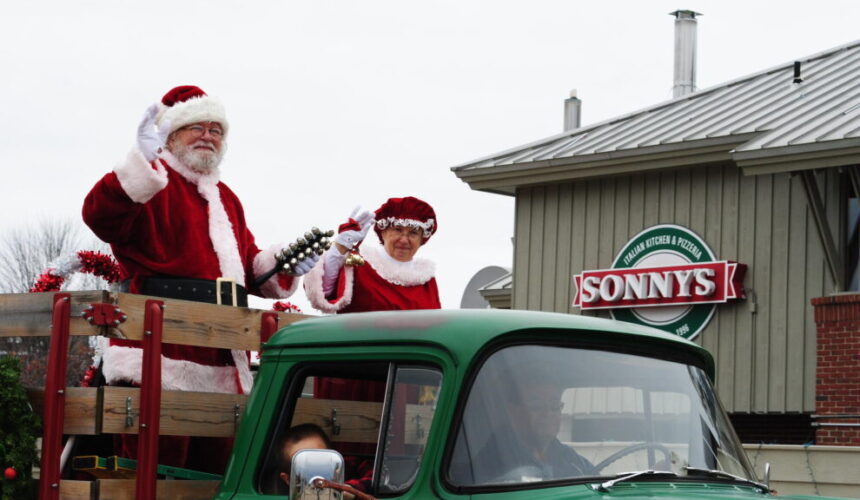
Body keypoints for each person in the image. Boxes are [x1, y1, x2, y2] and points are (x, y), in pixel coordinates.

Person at [82, 85, 320, 471]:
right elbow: (100, 216)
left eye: (216, 129)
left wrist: (286, 264)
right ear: (171, 135)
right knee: (157, 471)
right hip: (161, 352)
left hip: (222, 354)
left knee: (215, 475)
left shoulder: (225, 197)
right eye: (197, 127)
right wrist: (140, 162)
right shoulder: (152, 184)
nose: (208, 136)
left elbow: (247, 267)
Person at [303, 196, 440, 314]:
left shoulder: (426, 280)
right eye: (398, 230)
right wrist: (341, 246)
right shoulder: (361, 264)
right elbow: (323, 292)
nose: (404, 240)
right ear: (383, 232)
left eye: (413, 233)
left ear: (422, 239)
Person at [271, 424, 372, 498]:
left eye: (322, 459)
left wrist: (348, 490)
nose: (317, 469)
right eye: (305, 465)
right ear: (287, 479)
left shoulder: (346, 465)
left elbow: (379, 479)